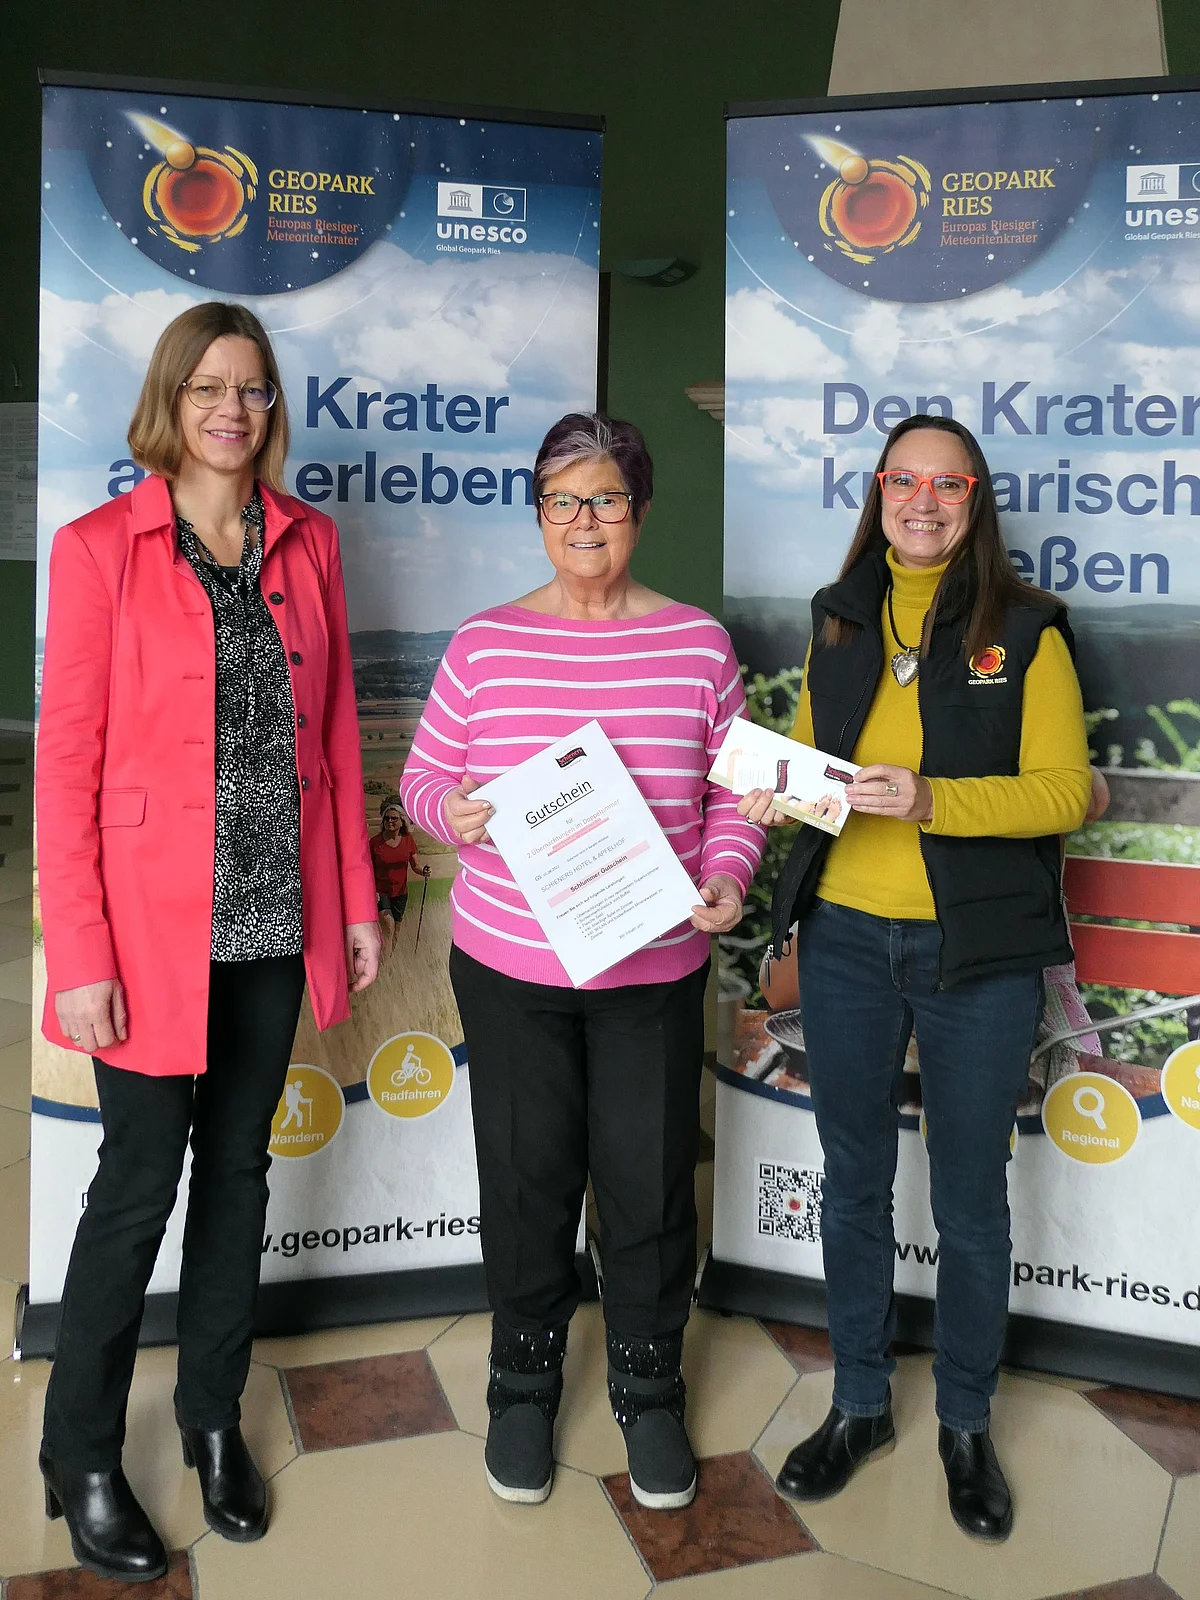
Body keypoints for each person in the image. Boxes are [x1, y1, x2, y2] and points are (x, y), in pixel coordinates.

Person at [36, 301, 380, 1581]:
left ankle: (210, 1419)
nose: (231, 409)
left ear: (270, 408)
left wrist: (352, 905)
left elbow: (335, 741)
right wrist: (80, 950)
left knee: (239, 1171)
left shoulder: (309, 542)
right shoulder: (97, 549)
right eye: (207, 388)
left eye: (251, 388)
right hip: (144, 930)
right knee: (136, 1189)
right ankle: (78, 1451)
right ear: (170, 404)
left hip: (272, 918)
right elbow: (67, 764)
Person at [400, 413, 766, 1511]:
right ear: (538, 513)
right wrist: (453, 811)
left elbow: (734, 795)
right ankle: (523, 1380)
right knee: (525, 1176)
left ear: (641, 510)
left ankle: (649, 1387)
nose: (585, 520)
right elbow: (424, 784)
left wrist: (732, 876)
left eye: (606, 498)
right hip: (511, 965)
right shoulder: (484, 645)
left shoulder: (699, 644)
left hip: (651, 969)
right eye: (562, 500)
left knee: (649, 1181)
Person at [739, 414, 1090, 1542]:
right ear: (879, 491)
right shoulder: (840, 616)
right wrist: (776, 792)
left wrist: (933, 796)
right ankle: (858, 1404)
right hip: (843, 939)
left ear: (976, 500)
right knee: (852, 1178)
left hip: (972, 953)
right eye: (906, 480)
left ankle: (968, 1424)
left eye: (950, 483)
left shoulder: (1023, 628)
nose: (925, 500)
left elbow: (1065, 793)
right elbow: (814, 756)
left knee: (970, 1198)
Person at [370, 798, 429, 956]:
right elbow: (367, 870)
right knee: (388, 927)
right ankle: (387, 967)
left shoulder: (408, 841)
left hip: (401, 892)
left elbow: (415, 865)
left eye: (394, 818)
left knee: (396, 931)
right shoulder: (375, 843)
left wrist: (423, 871)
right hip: (381, 891)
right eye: (387, 818)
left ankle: (391, 961)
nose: (390, 821)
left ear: (402, 821)